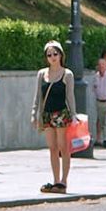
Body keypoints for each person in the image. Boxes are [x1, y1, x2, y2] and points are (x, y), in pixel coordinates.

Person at [31, 40, 76, 193]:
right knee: (52, 148)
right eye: (49, 54)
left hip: (61, 113)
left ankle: (64, 181)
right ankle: (56, 180)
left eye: (55, 54)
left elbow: (70, 97)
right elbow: (38, 96)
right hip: (47, 114)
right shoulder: (42, 73)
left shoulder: (67, 74)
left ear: (61, 54)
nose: (52, 57)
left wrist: (74, 115)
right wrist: (34, 113)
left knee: (63, 148)